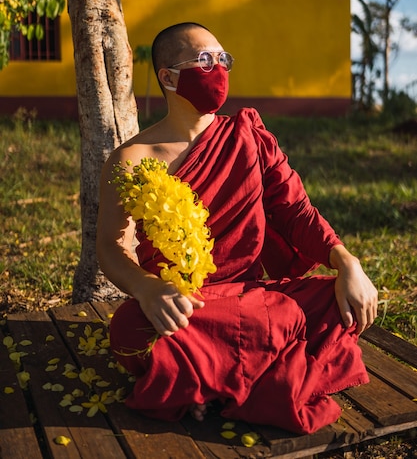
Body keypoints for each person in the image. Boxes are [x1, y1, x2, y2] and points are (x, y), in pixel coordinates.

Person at [96, 22, 378, 435]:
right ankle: (262, 376)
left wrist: (347, 261)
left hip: (251, 297)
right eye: (204, 60)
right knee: (127, 329)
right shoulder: (132, 159)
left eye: (223, 59)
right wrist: (147, 288)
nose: (219, 69)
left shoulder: (248, 135)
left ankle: (207, 385)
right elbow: (110, 246)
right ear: (169, 77)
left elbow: (296, 210)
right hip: (184, 307)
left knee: (333, 299)